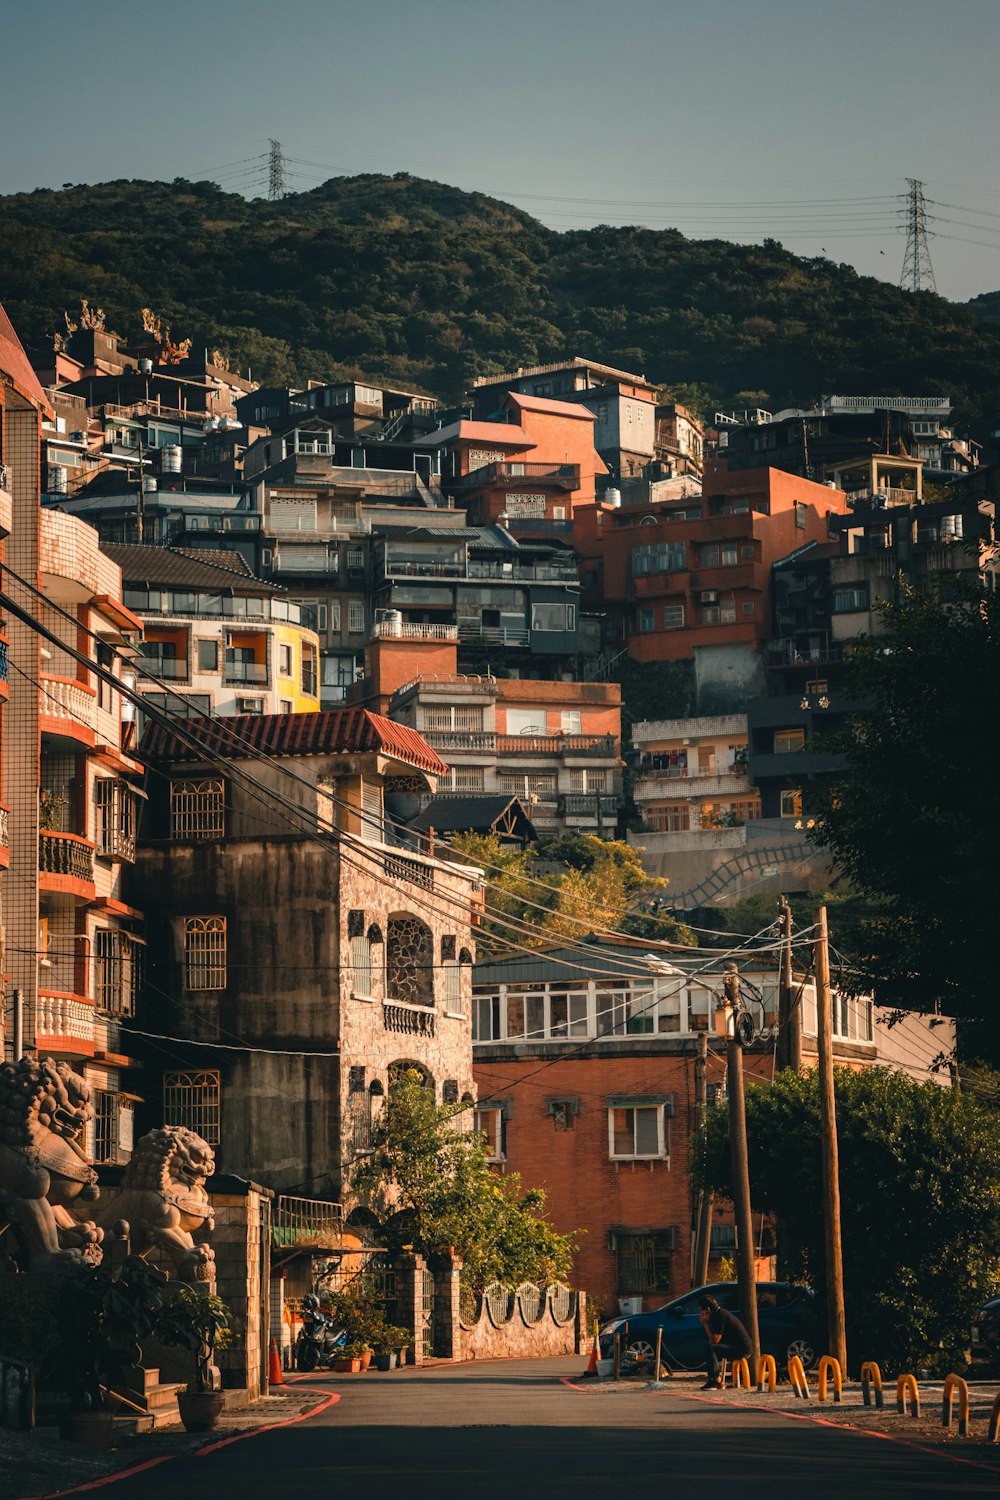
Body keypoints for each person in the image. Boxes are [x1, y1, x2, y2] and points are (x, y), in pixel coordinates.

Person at [698, 1294, 752, 1389]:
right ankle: (715, 1379)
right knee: (709, 1348)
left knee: (709, 1348)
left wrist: (705, 1324)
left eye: (701, 1310)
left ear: (708, 1309)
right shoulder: (718, 1314)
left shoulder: (720, 1316)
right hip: (736, 1346)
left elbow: (714, 1340)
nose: (700, 1313)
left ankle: (715, 1380)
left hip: (742, 1349)